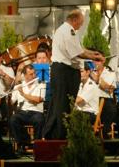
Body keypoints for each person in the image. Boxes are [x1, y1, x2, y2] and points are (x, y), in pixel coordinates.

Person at [42, 9, 105, 139]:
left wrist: (94, 54)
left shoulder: (64, 30)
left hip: (62, 71)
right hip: (64, 72)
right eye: (80, 23)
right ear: (74, 20)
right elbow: (78, 53)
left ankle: (56, 134)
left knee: (60, 104)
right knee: (63, 105)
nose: (80, 26)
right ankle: (60, 135)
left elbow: (80, 48)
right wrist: (94, 57)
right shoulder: (69, 31)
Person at [9, 64, 46, 153]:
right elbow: (12, 102)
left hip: (36, 112)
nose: (33, 76)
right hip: (22, 112)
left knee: (40, 120)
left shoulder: (41, 84)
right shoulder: (19, 87)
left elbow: (38, 99)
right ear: (24, 75)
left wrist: (23, 94)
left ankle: (38, 146)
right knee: (13, 120)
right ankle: (23, 143)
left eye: (34, 73)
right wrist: (11, 93)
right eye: (30, 74)